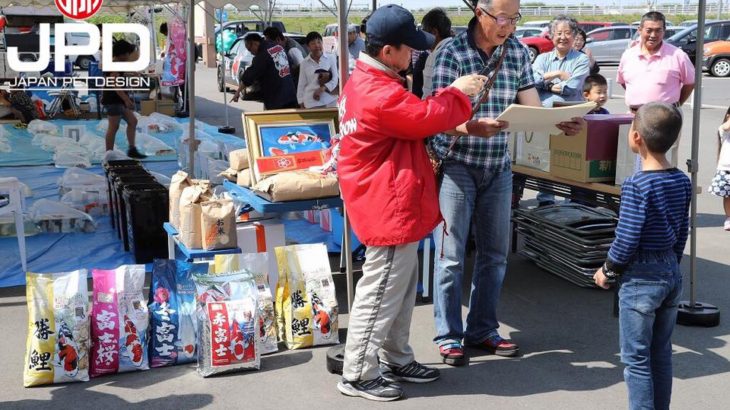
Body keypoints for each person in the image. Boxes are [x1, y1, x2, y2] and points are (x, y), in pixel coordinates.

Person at [336, 4, 487, 402]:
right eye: (410, 49)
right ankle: (357, 372)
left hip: (388, 197)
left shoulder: (366, 81)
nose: (415, 54)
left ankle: (396, 357)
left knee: (398, 288)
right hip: (387, 202)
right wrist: (458, 92)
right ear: (388, 51)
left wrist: (457, 111)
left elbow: (415, 118)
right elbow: (423, 118)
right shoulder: (378, 91)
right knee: (382, 288)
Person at [430, 0, 583, 367]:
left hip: (498, 166)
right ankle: (449, 335)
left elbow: (530, 106)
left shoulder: (515, 51)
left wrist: (557, 122)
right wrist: (471, 127)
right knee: (451, 257)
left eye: (515, 18)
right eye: (502, 18)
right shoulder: (450, 51)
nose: (508, 26)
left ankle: (482, 329)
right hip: (457, 164)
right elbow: (434, 114)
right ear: (479, 12)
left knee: (495, 255)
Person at [593, 102, 691, 410]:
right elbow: (682, 230)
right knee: (661, 353)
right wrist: (671, 263)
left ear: (636, 138)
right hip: (670, 272)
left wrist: (608, 270)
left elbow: (627, 237)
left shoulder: (637, 184)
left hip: (640, 278)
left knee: (636, 359)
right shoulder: (681, 180)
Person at [617, 11, 694, 113]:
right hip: (634, 115)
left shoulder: (678, 55)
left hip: (666, 116)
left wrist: (677, 104)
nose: (653, 35)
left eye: (658, 30)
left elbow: (690, 83)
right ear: (640, 30)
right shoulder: (628, 55)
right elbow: (624, 82)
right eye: (649, 30)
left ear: (664, 31)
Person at [532, 15, 590, 108]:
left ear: (574, 35)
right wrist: (558, 74)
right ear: (551, 36)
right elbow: (532, 81)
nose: (563, 37)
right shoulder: (541, 58)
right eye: (559, 33)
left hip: (570, 115)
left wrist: (544, 83)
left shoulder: (582, 59)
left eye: (567, 33)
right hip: (543, 114)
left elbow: (572, 87)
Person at [102, 40, 145, 159]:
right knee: (113, 127)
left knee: (133, 121)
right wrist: (126, 99)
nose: (128, 56)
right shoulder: (114, 65)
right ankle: (109, 154)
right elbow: (115, 84)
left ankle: (132, 149)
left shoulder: (119, 64)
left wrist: (135, 74)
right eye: (127, 54)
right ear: (122, 54)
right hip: (113, 100)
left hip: (119, 99)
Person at [232, 33, 298, 110]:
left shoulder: (263, 54)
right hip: (291, 94)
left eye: (250, 49)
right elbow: (290, 65)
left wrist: (238, 91)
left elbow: (249, 75)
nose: (251, 53)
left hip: (277, 98)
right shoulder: (278, 47)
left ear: (254, 43)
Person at [413, 8, 452, 99]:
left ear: (434, 32)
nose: (423, 37)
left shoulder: (435, 56)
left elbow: (428, 94)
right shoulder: (458, 49)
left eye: (424, 31)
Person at [297, 32, 338, 109]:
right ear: (308, 47)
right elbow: (301, 84)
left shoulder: (331, 57)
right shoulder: (304, 63)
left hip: (330, 100)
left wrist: (322, 89)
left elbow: (335, 79)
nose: (317, 45)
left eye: (319, 42)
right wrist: (301, 102)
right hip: (311, 103)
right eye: (313, 43)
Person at [708, 106, 730, 231]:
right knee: (727, 196)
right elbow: (726, 126)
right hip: (726, 169)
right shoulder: (724, 131)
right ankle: (728, 217)